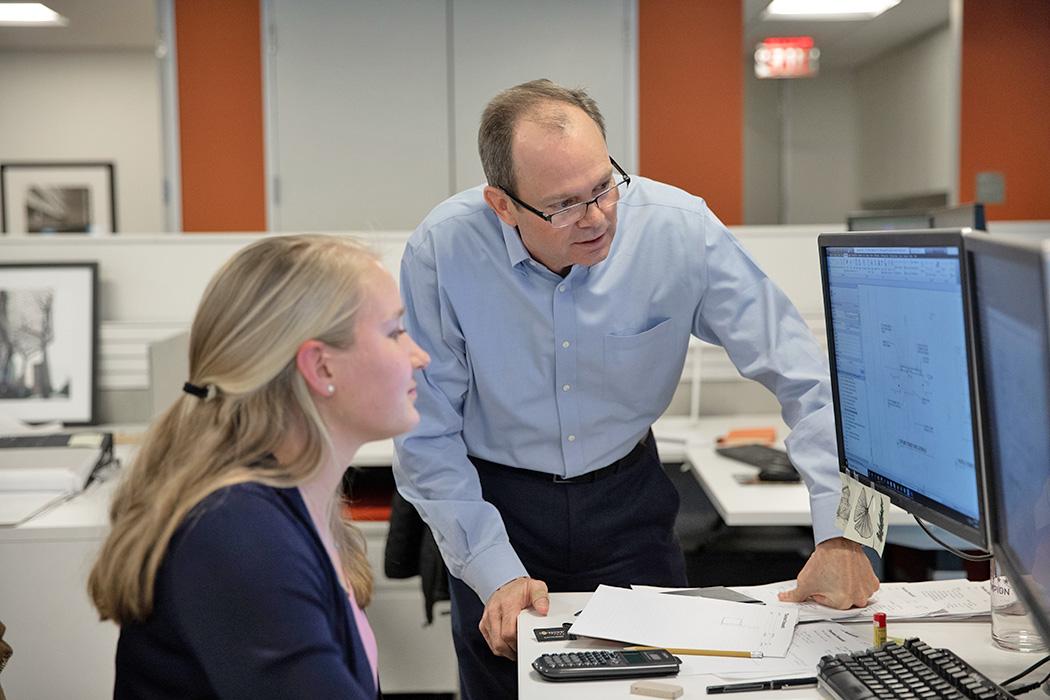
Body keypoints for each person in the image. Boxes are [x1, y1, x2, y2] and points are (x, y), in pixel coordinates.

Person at [393, 79, 879, 698]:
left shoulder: (677, 230)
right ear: (503, 204)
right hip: (497, 508)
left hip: (627, 505)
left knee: (658, 688)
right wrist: (493, 574)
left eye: (603, 186)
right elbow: (425, 432)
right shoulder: (445, 250)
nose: (596, 217)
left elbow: (809, 378)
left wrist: (845, 531)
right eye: (563, 204)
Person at [88, 234, 430, 699]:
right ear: (320, 367)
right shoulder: (237, 534)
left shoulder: (289, 504)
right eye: (394, 332)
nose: (419, 356)